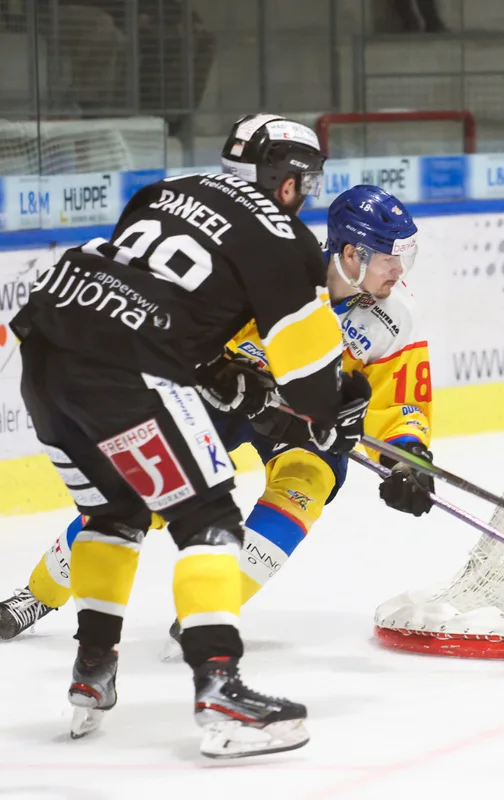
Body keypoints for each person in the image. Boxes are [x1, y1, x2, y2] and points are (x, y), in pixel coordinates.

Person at [6, 112, 372, 758]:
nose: (304, 196)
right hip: (124, 373)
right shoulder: (282, 238)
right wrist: (338, 411)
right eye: (304, 183)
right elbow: (313, 388)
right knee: (208, 518)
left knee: (112, 512)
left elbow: (157, 297)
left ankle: (93, 671)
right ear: (285, 183)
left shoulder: (162, 192)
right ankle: (219, 686)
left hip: (44, 358)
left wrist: (226, 376)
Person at [0, 184, 435, 650]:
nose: (399, 270)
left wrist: (409, 460)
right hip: (227, 393)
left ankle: (209, 608)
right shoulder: (278, 275)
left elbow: (404, 402)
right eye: (390, 257)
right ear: (352, 252)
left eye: (403, 257)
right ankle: (38, 594)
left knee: (306, 481)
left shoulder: (395, 318)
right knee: (141, 489)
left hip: (303, 418)